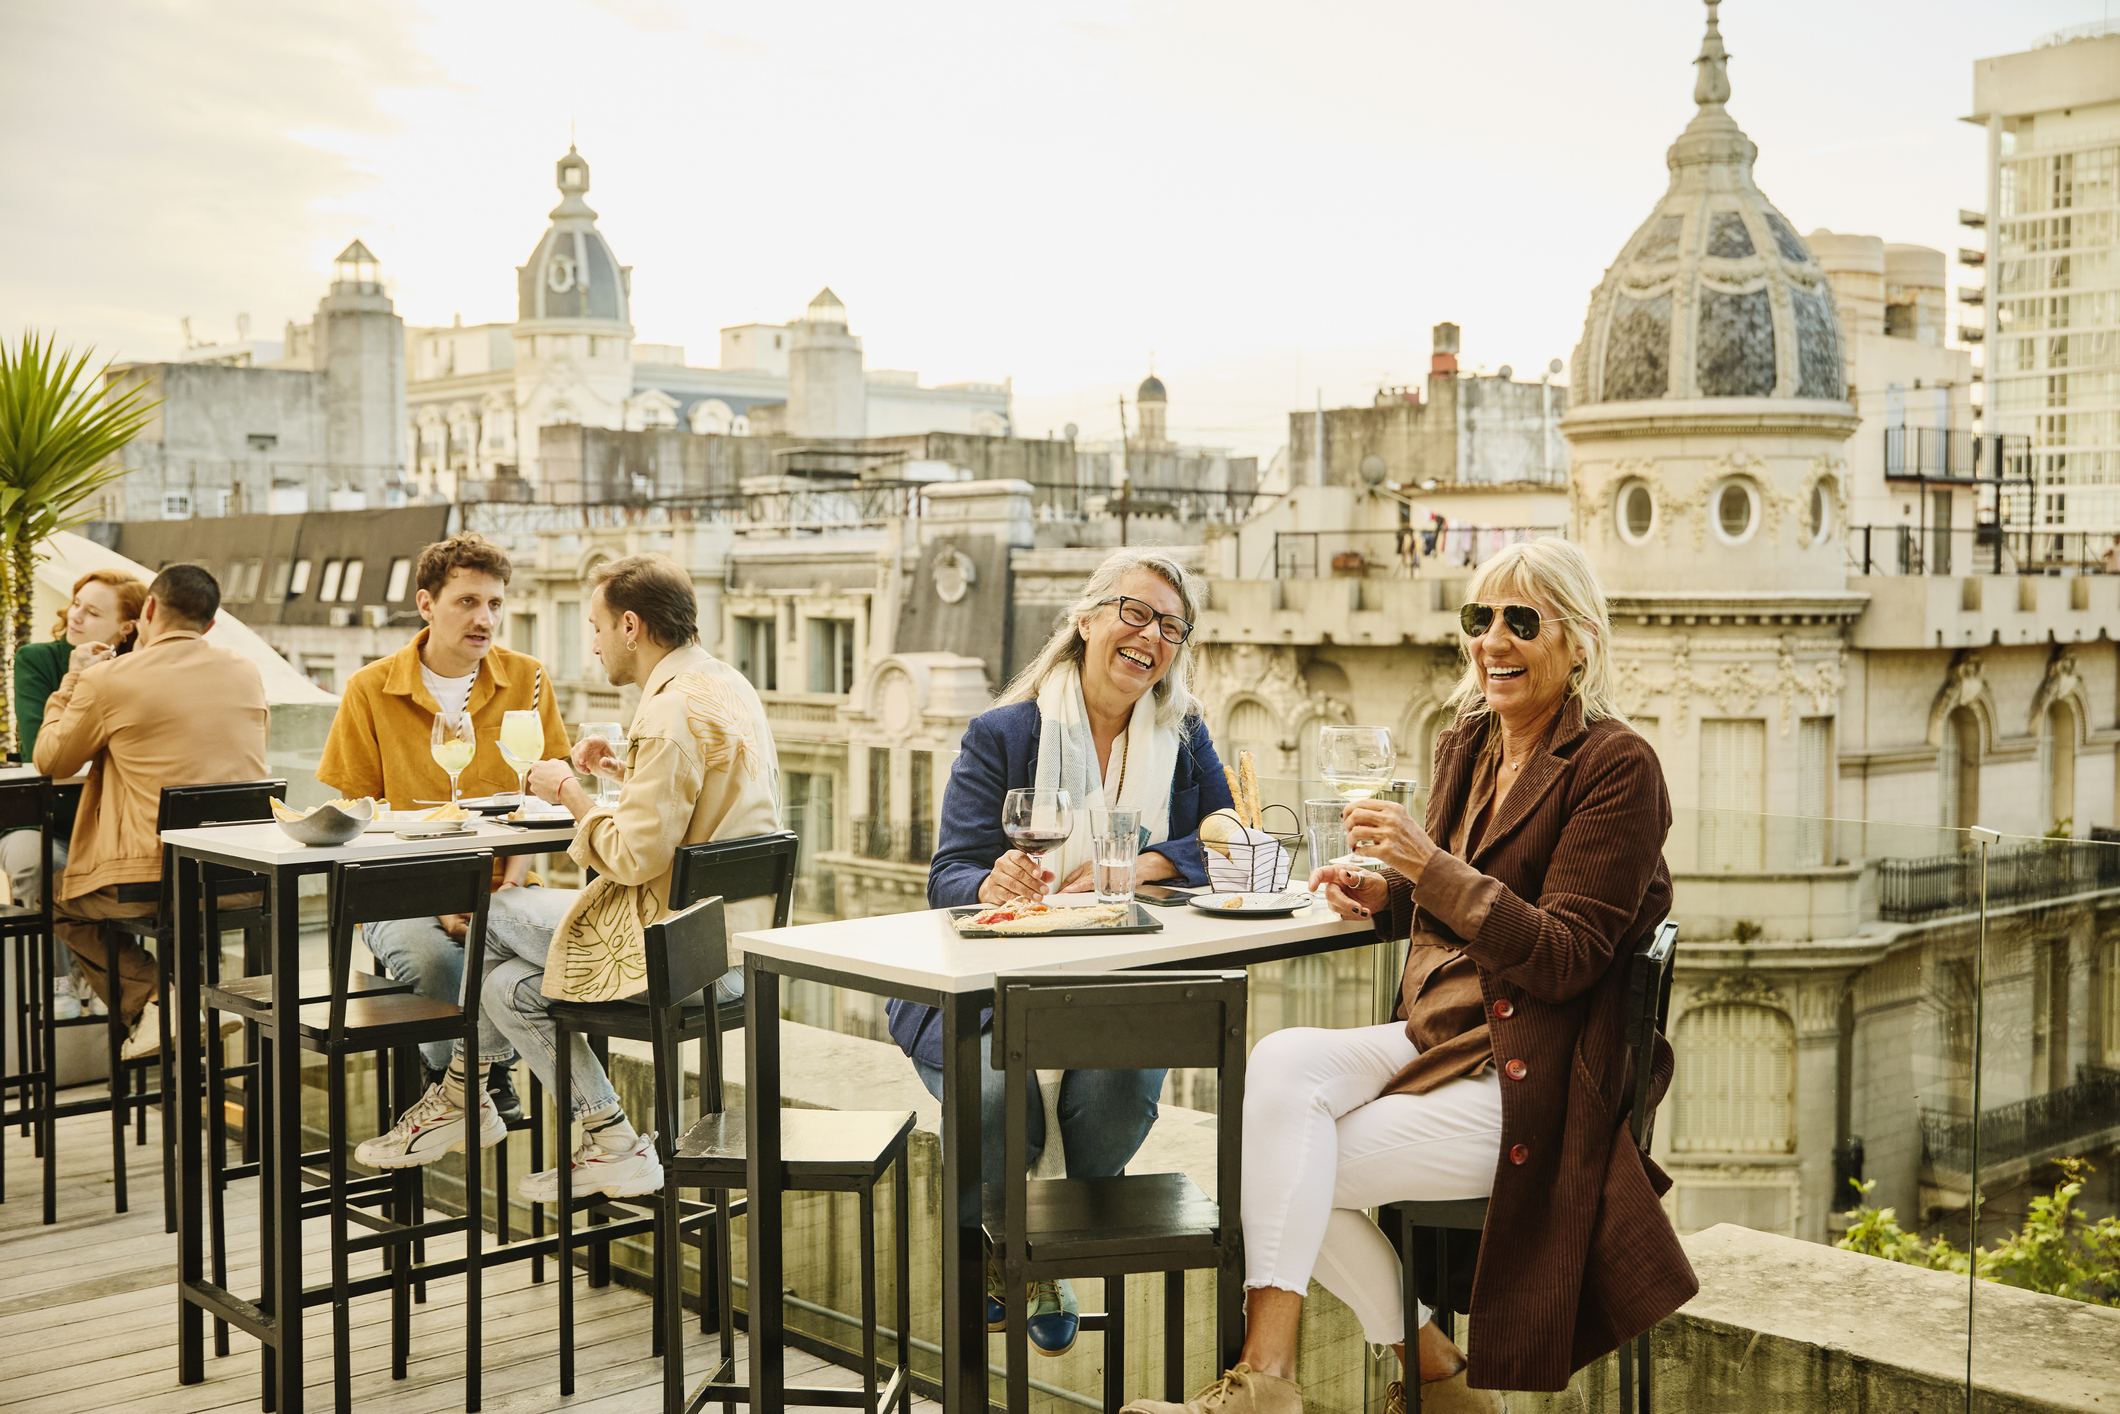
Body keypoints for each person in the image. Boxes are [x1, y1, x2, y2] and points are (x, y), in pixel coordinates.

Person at [1124, 538, 1696, 1414]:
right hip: (1450, 1035)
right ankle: (1432, 1372)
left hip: (1542, 1070)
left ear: (1578, 641)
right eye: (1480, 619)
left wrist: (1425, 870)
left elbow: (1566, 955)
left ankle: (1269, 1385)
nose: (1492, 641)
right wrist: (1387, 894)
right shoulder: (1470, 741)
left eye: (1521, 621)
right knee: (1279, 1069)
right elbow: (1457, 895)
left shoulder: (1616, 768)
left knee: (1282, 1165)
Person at [890, 546, 1235, 1357]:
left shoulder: (1183, 734)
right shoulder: (1003, 733)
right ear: (1085, 621)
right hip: (993, 989)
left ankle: (1041, 1237)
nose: (1152, 635)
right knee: (993, 1095)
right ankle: (1015, 1247)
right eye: (1135, 612)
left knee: (1119, 1095)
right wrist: (992, 881)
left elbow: (1228, 840)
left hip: (1117, 983)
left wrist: (1146, 862)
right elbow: (950, 872)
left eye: (1172, 627)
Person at [356, 553, 781, 1204]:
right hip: (726, 944)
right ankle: (609, 1139)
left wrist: (572, 792)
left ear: (632, 626)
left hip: (678, 950)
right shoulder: (724, 685)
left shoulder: (667, 713)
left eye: (598, 626)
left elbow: (635, 859)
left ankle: (460, 1098)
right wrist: (619, 778)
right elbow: (685, 817)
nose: (594, 643)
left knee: (492, 910)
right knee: (503, 986)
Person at [316, 532, 569, 1121]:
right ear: (427, 604)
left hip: (499, 883)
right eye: (468, 602)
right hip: (397, 888)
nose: (485, 618)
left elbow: (540, 801)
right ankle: (464, 1079)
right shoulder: (369, 689)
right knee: (438, 958)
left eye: (496, 604)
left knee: (532, 949)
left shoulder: (527, 679)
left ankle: (467, 1085)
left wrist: (507, 885)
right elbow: (360, 815)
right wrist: (439, 899)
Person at [33, 564, 269, 1058]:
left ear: (149, 610)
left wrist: (75, 678)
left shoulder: (108, 679)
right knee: (185, 917)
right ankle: (197, 1000)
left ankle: (162, 998)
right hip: (241, 878)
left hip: (152, 883)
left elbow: (52, 761)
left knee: (51, 899)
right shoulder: (247, 671)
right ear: (208, 625)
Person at [2, 570, 148, 1018]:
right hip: (42, 814)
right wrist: (77, 678)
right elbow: (37, 747)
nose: (75, 616)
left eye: (93, 610)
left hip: (110, 816)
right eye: (76, 603)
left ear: (127, 627)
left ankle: (118, 986)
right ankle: (62, 980)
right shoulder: (39, 659)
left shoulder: (143, 667)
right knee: (35, 863)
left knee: (120, 876)